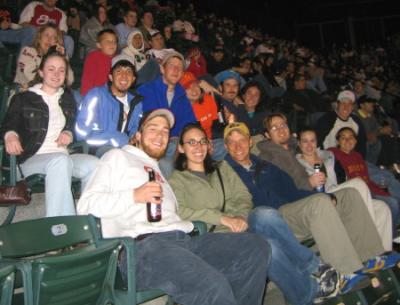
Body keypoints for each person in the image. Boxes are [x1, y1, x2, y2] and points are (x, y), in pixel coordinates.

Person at [77, 109, 270, 305]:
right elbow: (85, 206)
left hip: (182, 241)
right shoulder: (117, 157)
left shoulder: (159, 171)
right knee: (210, 283)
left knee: (255, 247)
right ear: (137, 136)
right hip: (143, 249)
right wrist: (133, 196)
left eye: (165, 131)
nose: (160, 135)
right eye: (153, 129)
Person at [169, 123, 341, 305]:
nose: (198, 147)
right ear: (181, 147)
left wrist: (240, 217)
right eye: (191, 142)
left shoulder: (221, 168)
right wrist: (222, 218)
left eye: (202, 141)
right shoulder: (176, 181)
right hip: (216, 236)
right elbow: (180, 211)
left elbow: (243, 196)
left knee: (264, 214)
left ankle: (314, 266)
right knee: (268, 246)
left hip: (242, 225)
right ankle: (308, 292)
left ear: (209, 145)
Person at [224, 122, 399, 276]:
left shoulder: (266, 167)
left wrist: (325, 195)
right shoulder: (224, 172)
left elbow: (293, 191)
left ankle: (369, 258)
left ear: (250, 142)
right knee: (319, 204)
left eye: (242, 140)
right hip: (272, 219)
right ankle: (345, 271)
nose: (237, 146)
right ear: (225, 146)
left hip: (294, 210)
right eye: (232, 142)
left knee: (348, 195)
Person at [1, 51, 98, 217]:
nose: (56, 74)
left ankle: (86, 217)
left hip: (63, 156)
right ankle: (62, 227)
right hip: (30, 158)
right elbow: (9, 123)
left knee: (95, 164)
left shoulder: (68, 99)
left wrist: (68, 132)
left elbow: (71, 124)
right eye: (51, 69)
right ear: (41, 72)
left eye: (61, 70)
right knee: (60, 161)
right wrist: (10, 135)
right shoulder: (24, 98)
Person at [296, 127, 392, 250]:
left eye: (312, 140)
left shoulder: (328, 155)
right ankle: (368, 242)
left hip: (338, 192)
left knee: (382, 208)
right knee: (357, 183)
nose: (309, 145)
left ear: (317, 142)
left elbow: (342, 177)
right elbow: (299, 186)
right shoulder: (296, 163)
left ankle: (383, 253)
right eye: (305, 141)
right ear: (299, 143)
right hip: (321, 198)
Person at [328, 127, 400, 237]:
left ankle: (389, 233)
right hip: (356, 192)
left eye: (351, 137)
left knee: (393, 199)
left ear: (356, 141)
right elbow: (323, 155)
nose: (347, 140)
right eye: (343, 138)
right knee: (393, 203)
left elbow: (367, 178)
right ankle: (392, 236)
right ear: (338, 141)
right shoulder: (334, 153)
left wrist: (380, 190)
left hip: (370, 190)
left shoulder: (357, 156)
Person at [137, 51, 196, 178]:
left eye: (179, 68)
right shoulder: (146, 89)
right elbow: (141, 120)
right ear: (162, 69)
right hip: (148, 141)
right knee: (167, 163)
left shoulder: (182, 96)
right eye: (171, 66)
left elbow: (190, 125)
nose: (176, 70)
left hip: (172, 145)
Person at [76, 54, 142, 156]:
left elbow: (134, 132)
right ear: (111, 77)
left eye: (129, 71)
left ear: (133, 78)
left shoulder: (136, 103)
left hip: (126, 150)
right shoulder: (96, 96)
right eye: (119, 71)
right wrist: (118, 138)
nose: (124, 75)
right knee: (117, 155)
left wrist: (134, 139)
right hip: (96, 149)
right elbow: (81, 133)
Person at [14, 23, 74, 91]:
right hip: (27, 91)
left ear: (57, 42)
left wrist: (63, 58)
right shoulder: (28, 51)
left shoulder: (58, 58)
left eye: (54, 37)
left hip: (53, 92)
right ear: (39, 38)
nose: (49, 39)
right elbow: (30, 76)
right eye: (46, 35)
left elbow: (70, 80)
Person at [80, 29, 117, 96]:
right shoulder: (93, 57)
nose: (112, 44)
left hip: (113, 95)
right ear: (99, 45)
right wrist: (87, 96)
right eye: (108, 41)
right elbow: (88, 79)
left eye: (114, 41)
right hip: (96, 94)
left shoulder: (118, 58)